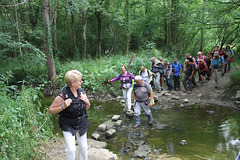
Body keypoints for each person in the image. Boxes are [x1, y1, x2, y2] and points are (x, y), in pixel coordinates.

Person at [49, 70, 90, 160]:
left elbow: (86, 108)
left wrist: (87, 102)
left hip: (82, 122)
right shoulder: (62, 96)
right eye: (80, 80)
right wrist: (63, 106)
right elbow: (50, 110)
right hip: (68, 124)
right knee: (71, 149)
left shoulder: (81, 92)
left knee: (84, 148)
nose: (81, 82)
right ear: (72, 83)